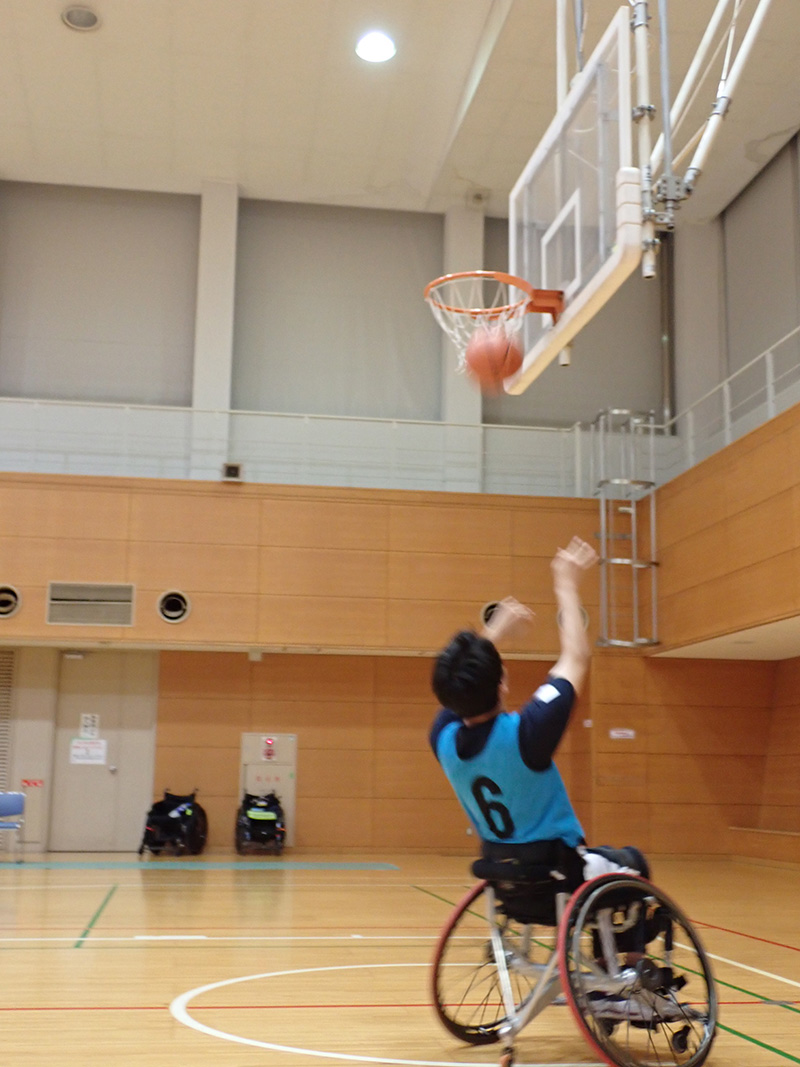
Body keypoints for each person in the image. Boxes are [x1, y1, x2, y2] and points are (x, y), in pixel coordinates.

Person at [429, 536, 648, 893]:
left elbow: (458, 688)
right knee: (634, 861)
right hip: (562, 871)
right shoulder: (526, 735)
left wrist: (493, 633)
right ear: (502, 682)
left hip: (502, 873)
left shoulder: (442, 739)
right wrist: (565, 583)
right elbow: (576, 658)